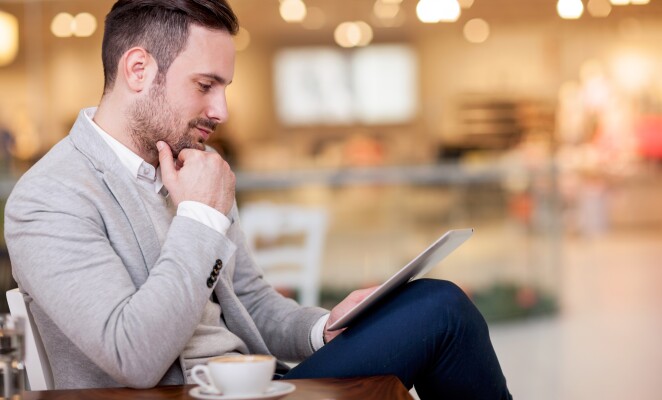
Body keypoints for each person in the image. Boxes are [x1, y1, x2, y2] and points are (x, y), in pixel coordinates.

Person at [4, 1, 512, 398]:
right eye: (205, 85)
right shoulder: (51, 196)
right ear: (138, 69)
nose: (221, 110)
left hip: (260, 383)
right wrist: (200, 216)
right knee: (440, 310)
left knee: (429, 301)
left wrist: (322, 329)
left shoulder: (192, 167)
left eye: (224, 87)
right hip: (180, 394)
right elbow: (132, 356)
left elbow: (252, 303)